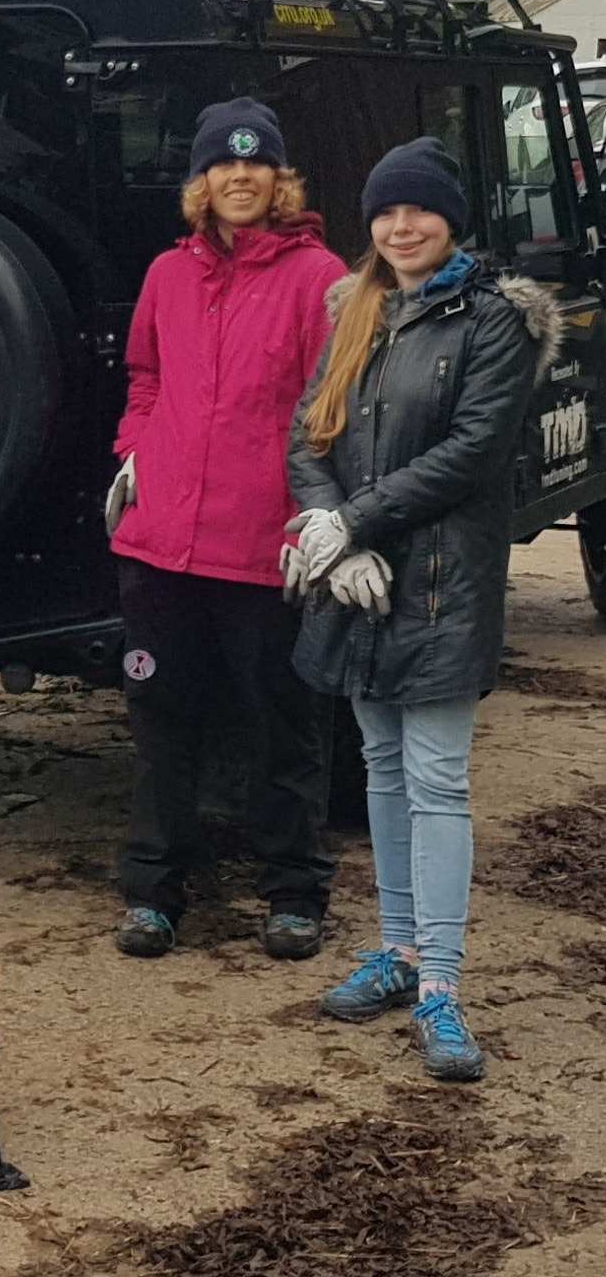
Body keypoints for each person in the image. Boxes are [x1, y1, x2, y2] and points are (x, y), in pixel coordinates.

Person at [285, 136, 552, 1083]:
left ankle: (440, 980)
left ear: (451, 218)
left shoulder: (494, 322)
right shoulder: (353, 309)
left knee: (438, 782)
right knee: (381, 769)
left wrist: (352, 521)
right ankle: (395, 951)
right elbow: (308, 428)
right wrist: (322, 522)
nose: (401, 228)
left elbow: (473, 453)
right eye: (386, 213)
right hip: (356, 583)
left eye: (419, 211)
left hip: (439, 587)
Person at [108, 99, 349, 962]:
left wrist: (317, 515)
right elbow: (143, 375)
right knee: (160, 720)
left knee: (283, 725)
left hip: (263, 547)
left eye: (255, 165)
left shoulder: (319, 278)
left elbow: (335, 410)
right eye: (221, 165)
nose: (238, 178)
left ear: (279, 181)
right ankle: (154, 892)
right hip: (160, 542)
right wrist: (134, 454)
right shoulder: (168, 276)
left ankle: (292, 892)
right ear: (200, 182)